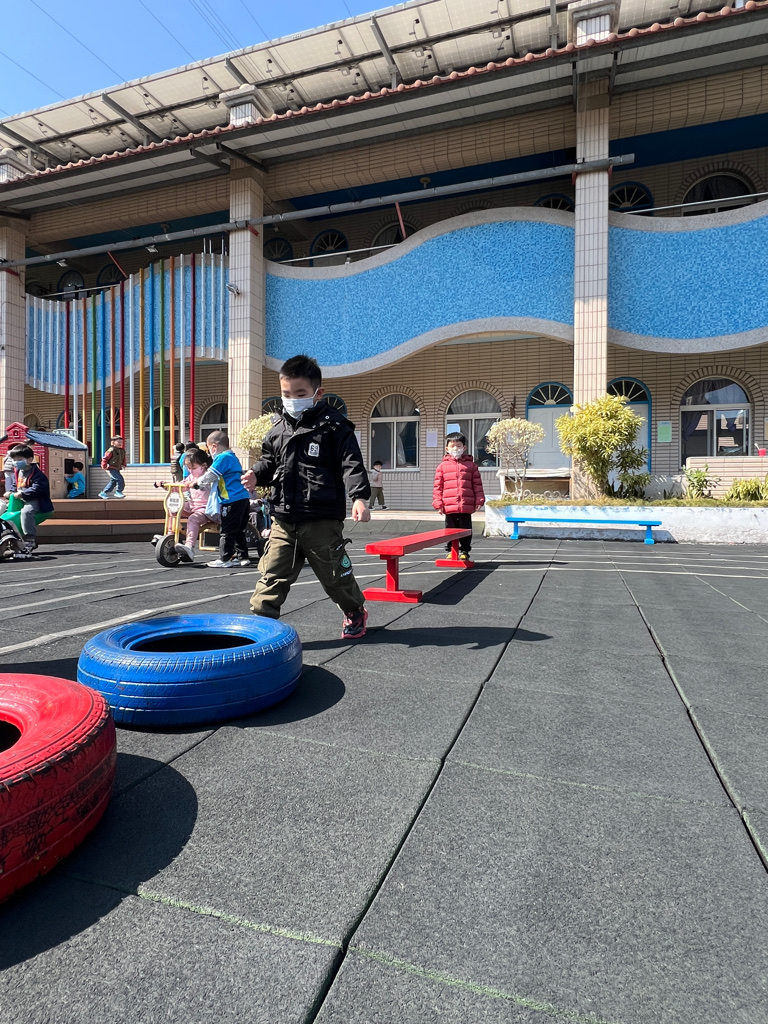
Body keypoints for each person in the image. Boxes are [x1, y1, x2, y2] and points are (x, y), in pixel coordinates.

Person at [241, 353, 372, 639]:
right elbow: (269, 462)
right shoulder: (277, 429)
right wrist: (256, 474)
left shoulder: (334, 427)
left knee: (334, 574)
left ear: (317, 393)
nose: (292, 399)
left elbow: (351, 464)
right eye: (286, 394)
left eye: (300, 394)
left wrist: (360, 498)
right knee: (272, 573)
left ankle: (354, 610)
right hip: (283, 518)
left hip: (321, 518)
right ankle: (262, 623)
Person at [191, 430, 251, 568]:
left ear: (214, 446)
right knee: (238, 530)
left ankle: (225, 559)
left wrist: (198, 483)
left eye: (209, 449)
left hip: (231, 500)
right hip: (243, 498)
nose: (209, 453)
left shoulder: (222, 458)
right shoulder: (233, 457)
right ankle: (243, 557)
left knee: (227, 530)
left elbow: (211, 475)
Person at [155, 448, 220, 562]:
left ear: (204, 465)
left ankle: (189, 546)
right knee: (173, 509)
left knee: (193, 519)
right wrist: (166, 485)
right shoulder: (191, 477)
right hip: (192, 505)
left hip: (206, 508)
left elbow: (205, 485)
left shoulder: (208, 477)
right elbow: (181, 486)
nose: (191, 471)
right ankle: (170, 536)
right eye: (188, 468)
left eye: (193, 468)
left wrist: (196, 484)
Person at [432, 431, 485, 561]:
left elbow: (477, 485)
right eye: (452, 446)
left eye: (459, 446)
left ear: (464, 447)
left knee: (466, 529)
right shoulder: (442, 467)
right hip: (449, 505)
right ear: (447, 448)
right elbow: (438, 486)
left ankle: (465, 550)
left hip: (465, 504)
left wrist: (479, 500)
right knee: (450, 529)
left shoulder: (471, 466)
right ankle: (451, 550)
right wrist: (438, 503)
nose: (456, 449)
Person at [8, 445, 53, 558]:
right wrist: (11, 491)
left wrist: (23, 493)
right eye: (14, 460)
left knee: (26, 512)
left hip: (35, 500)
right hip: (20, 499)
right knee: (3, 508)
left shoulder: (37, 474)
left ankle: (30, 540)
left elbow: (38, 488)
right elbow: (16, 484)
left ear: (29, 460)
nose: (16, 462)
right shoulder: (18, 471)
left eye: (19, 459)